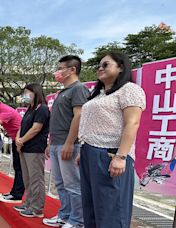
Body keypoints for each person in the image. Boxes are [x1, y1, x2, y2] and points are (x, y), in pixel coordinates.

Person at [78, 53, 146, 228]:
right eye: (99, 65)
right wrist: (83, 149)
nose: (100, 68)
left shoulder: (129, 89)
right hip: (89, 152)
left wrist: (121, 156)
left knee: (112, 210)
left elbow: (133, 123)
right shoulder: (98, 94)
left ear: (121, 67)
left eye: (106, 64)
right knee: (91, 206)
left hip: (110, 154)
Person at [43, 55, 89, 228]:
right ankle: (65, 215)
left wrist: (70, 142)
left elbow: (79, 115)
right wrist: (50, 143)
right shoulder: (61, 92)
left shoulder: (78, 89)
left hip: (68, 144)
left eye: (61, 68)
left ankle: (77, 221)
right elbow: (58, 121)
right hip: (56, 143)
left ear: (72, 70)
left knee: (73, 184)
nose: (58, 72)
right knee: (61, 183)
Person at [14, 83, 50, 218]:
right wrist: (18, 139)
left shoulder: (42, 109)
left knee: (36, 179)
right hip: (24, 147)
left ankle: (37, 207)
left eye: (27, 92)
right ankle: (29, 203)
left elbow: (36, 128)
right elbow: (21, 127)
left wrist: (22, 140)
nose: (25, 95)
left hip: (35, 148)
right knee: (27, 178)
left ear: (35, 93)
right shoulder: (30, 109)